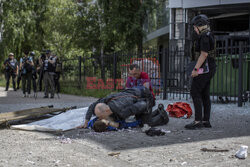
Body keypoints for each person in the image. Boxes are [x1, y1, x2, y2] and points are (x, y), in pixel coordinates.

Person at [185, 14, 216, 129]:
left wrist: (196, 69)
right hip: (210, 67)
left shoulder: (204, 36)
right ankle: (205, 121)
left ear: (200, 26)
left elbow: (204, 54)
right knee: (204, 94)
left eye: (194, 27)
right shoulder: (209, 34)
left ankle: (198, 122)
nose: (194, 29)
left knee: (195, 92)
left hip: (205, 68)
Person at [82, 87, 155, 128]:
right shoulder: (106, 100)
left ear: (106, 111)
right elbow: (92, 106)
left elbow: (143, 105)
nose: (100, 118)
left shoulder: (122, 111)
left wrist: (114, 124)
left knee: (144, 124)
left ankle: (162, 116)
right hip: (135, 90)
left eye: (101, 116)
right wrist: (86, 122)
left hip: (146, 96)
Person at [88, 103, 169, 132]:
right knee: (143, 121)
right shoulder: (110, 127)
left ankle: (160, 114)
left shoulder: (94, 123)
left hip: (120, 114)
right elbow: (123, 125)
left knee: (145, 121)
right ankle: (160, 114)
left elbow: (89, 123)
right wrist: (138, 122)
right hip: (123, 119)